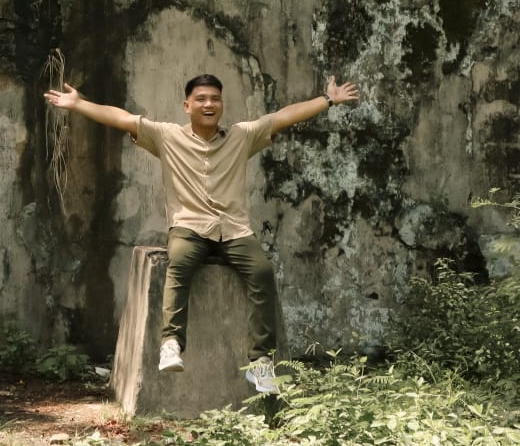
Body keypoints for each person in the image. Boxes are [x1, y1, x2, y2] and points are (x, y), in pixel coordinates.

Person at [44, 72, 359, 393]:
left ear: (222, 104)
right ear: (187, 105)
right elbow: (122, 118)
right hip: (189, 226)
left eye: (215, 99)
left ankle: (260, 361)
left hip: (233, 229)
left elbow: (283, 116)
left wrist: (328, 100)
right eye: (201, 99)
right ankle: (171, 343)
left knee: (262, 272)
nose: (209, 104)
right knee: (179, 262)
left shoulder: (242, 136)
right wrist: (80, 104)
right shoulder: (166, 136)